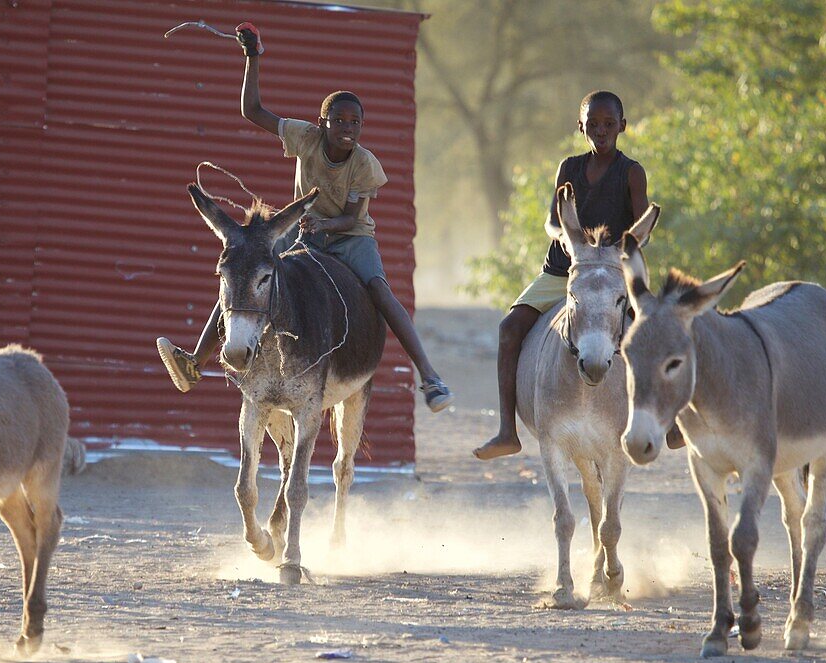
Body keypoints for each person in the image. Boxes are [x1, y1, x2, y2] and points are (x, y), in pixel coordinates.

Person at [157, 24, 454, 412]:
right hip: (303, 231)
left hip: (350, 237)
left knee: (380, 291)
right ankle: (196, 361)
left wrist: (323, 226)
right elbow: (252, 111)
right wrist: (253, 57)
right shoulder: (304, 137)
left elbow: (351, 218)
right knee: (245, 262)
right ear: (322, 122)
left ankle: (430, 376)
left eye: (355, 123)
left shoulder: (365, 164)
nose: (348, 130)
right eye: (340, 121)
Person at [473, 90, 650, 460]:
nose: (601, 132)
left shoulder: (631, 172)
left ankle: (667, 422)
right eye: (593, 125)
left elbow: (639, 228)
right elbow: (553, 221)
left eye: (609, 125)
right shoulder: (569, 167)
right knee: (509, 328)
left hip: (613, 270)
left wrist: (615, 258)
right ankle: (508, 431)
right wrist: (567, 241)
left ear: (622, 127)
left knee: (651, 332)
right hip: (562, 268)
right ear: (580, 126)